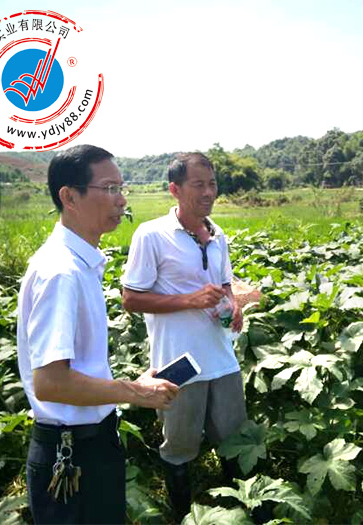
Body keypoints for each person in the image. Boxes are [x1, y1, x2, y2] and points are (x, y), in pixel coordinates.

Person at [17, 144, 179, 524]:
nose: (121, 199)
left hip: (91, 441)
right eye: (108, 189)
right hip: (71, 452)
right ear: (69, 197)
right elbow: (51, 383)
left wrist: (133, 385)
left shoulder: (80, 262)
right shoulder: (61, 272)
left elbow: (76, 368)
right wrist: (135, 392)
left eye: (121, 188)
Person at [121, 152, 247, 520]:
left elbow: (224, 283)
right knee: (179, 444)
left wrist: (234, 304)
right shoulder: (152, 235)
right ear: (175, 189)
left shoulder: (218, 233)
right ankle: (182, 513)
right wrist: (188, 300)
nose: (209, 192)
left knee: (233, 437)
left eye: (212, 184)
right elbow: (131, 298)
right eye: (199, 185)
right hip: (178, 362)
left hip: (222, 357)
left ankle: (237, 506)